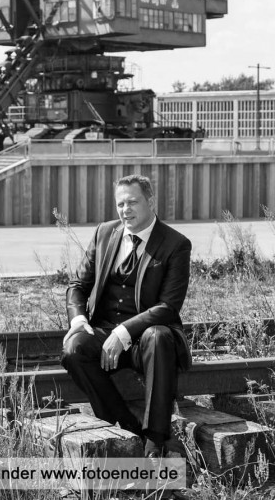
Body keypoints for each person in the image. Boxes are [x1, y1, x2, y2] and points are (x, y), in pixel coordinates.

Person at [61, 174, 192, 458]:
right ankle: (126, 425)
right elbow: (78, 286)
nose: (125, 210)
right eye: (120, 204)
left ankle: (156, 441)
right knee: (74, 348)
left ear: (151, 202)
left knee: (159, 336)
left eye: (132, 202)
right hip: (104, 329)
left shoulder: (175, 244)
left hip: (146, 338)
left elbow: (169, 307)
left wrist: (123, 333)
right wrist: (79, 320)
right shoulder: (105, 233)